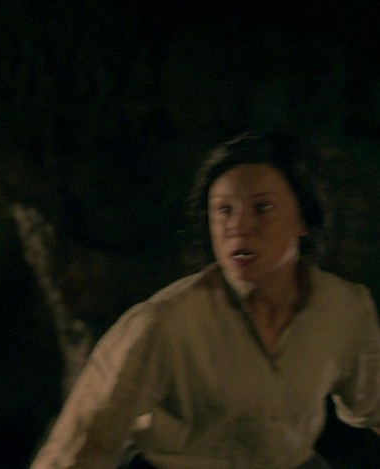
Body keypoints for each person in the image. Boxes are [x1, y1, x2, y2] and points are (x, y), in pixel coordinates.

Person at [29, 131, 380, 468]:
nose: (239, 226)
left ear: (303, 218)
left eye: (262, 208)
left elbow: (374, 402)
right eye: (224, 210)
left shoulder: (345, 309)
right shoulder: (163, 322)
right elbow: (84, 441)